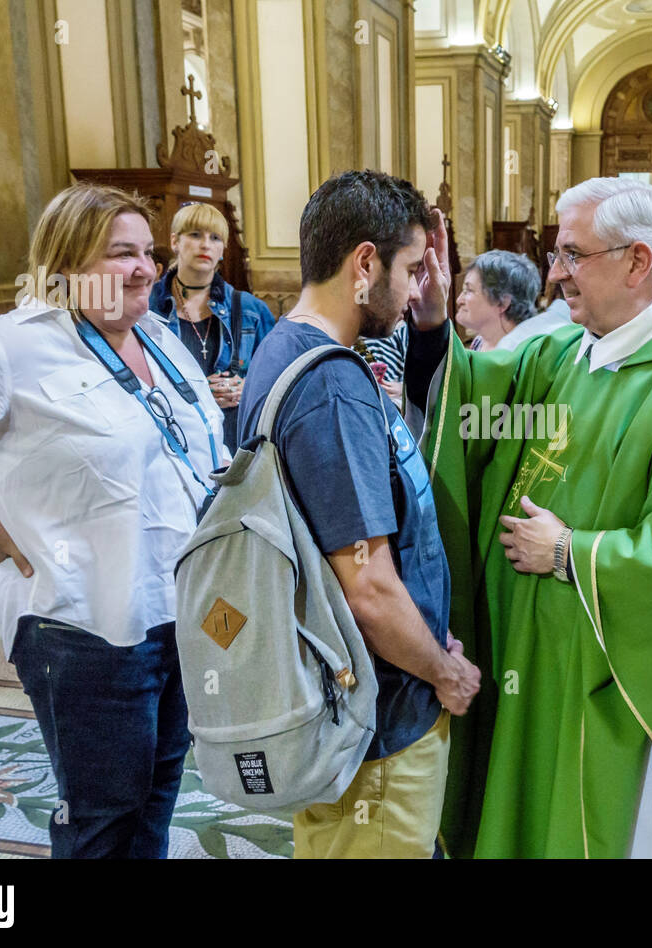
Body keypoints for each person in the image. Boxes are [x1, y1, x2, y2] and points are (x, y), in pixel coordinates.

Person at [405, 176, 652, 859]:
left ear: (638, 262)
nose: (555, 274)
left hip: (614, 689)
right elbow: (470, 413)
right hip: (531, 661)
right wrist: (430, 322)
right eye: (555, 253)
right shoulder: (561, 355)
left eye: (573, 255)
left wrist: (571, 552)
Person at [0, 184, 224, 858]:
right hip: (82, 624)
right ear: (65, 265)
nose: (146, 267)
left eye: (148, 251)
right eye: (122, 253)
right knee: (100, 815)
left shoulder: (160, 337)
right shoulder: (8, 351)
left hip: (177, 608)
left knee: (157, 794)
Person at [237, 170, 481, 859]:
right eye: (408, 270)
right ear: (364, 264)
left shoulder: (287, 347)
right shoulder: (334, 388)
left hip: (354, 701)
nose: (414, 290)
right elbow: (367, 587)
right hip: (379, 722)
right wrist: (443, 671)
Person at [149, 202, 275, 450]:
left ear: (223, 249)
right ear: (175, 241)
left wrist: (248, 387)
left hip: (236, 445)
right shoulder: (148, 305)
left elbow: (277, 378)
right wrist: (199, 392)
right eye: (195, 235)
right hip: (171, 442)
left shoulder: (252, 310)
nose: (205, 244)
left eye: (215, 237)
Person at [458, 250, 576, 352]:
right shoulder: (479, 342)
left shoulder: (528, 352)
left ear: (502, 302)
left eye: (469, 290)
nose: (459, 300)